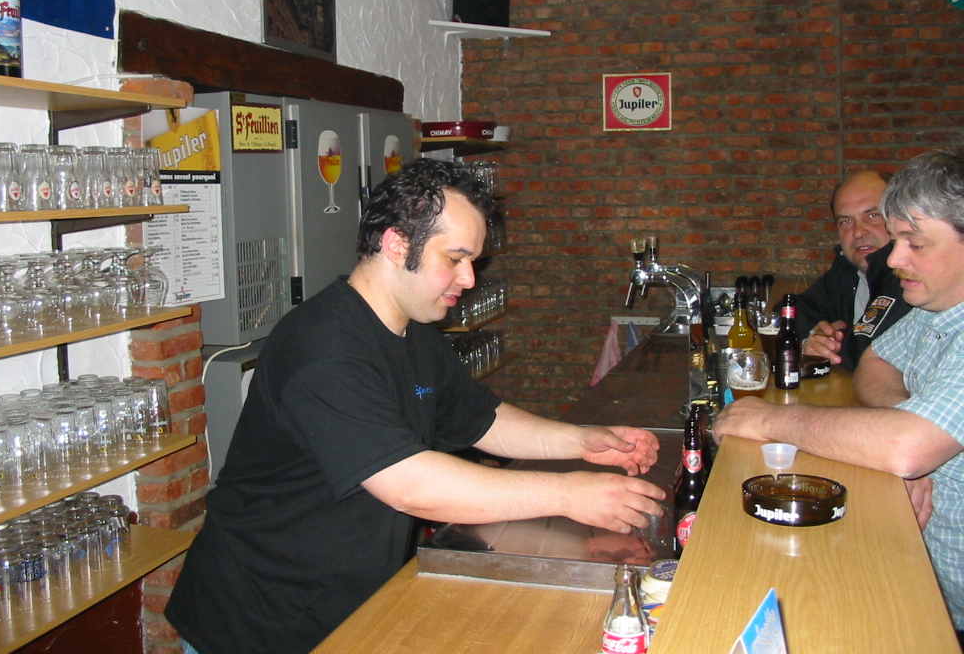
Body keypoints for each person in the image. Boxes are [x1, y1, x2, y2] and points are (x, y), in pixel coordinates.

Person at [165, 158, 666, 654]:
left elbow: (484, 419)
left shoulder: (414, 333)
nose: (469, 278)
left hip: (340, 607)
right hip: (255, 617)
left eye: (473, 260)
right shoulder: (323, 346)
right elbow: (409, 485)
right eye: (456, 258)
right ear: (396, 244)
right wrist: (569, 494)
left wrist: (582, 441)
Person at [714, 146, 964, 636]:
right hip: (920, 574)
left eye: (915, 243)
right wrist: (916, 423)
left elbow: (907, 447)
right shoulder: (938, 308)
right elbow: (876, 363)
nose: (895, 258)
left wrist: (768, 419)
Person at [795, 169, 910, 369]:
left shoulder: (907, 275)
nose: (858, 232)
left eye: (873, 215)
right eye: (846, 221)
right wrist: (815, 336)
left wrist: (832, 340)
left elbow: (872, 349)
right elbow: (791, 310)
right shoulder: (847, 269)